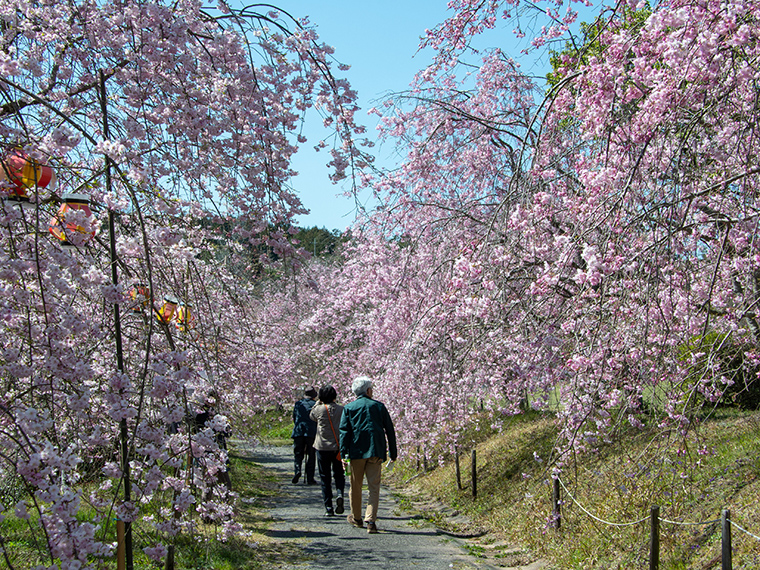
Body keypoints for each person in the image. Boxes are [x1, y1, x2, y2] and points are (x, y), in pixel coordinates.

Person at [339, 375, 397, 534]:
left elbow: (344, 432)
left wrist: (344, 454)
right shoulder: (379, 406)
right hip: (375, 451)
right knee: (374, 487)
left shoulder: (349, 408)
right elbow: (389, 431)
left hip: (356, 452)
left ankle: (357, 518)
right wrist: (393, 452)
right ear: (368, 390)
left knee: (355, 485)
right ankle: (371, 521)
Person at [309, 385, 346, 516]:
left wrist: (318, 402)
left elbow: (311, 416)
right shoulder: (342, 409)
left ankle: (328, 507)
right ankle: (340, 493)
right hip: (337, 447)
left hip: (322, 447)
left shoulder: (318, 410)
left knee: (325, 477)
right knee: (339, 474)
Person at [291, 386, 318, 485]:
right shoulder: (315, 405)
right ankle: (310, 478)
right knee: (311, 455)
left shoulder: (298, 404)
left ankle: (297, 470)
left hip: (299, 432)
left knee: (298, 454)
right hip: (311, 433)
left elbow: (295, 417)